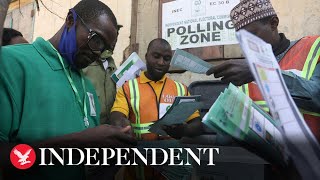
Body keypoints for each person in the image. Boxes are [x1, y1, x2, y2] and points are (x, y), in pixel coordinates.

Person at [0, 0, 136, 179]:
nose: (97, 53)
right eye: (96, 40)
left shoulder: (87, 86)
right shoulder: (11, 63)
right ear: (71, 20)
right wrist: (78, 142)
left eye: (105, 49)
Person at [206, 0, 320, 142]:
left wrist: (260, 73)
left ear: (273, 23)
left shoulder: (313, 47)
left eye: (252, 35)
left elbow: (316, 94)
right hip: (272, 161)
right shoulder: (244, 74)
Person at [110, 38, 203, 179]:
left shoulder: (180, 89)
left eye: (166, 58)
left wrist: (183, 130)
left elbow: (197, 125)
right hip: (138, 169)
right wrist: (123, 127)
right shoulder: (129, 87)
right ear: (147, 56)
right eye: (156, 56)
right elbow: (117, 115)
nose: (161, 62)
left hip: (171, 168)